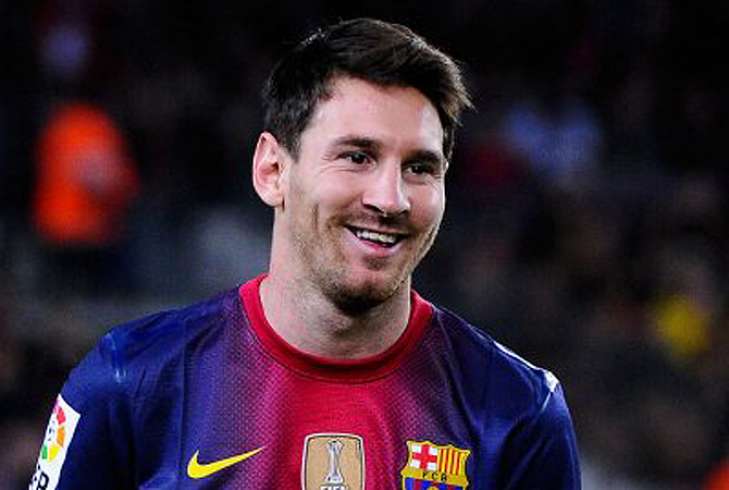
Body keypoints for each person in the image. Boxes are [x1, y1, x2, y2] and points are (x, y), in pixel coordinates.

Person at [29, 18, 581, 489]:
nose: (390, 199)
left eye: (419, 167)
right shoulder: (130, 382)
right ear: (272, 171)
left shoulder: (517, 413)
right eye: (357, 156)